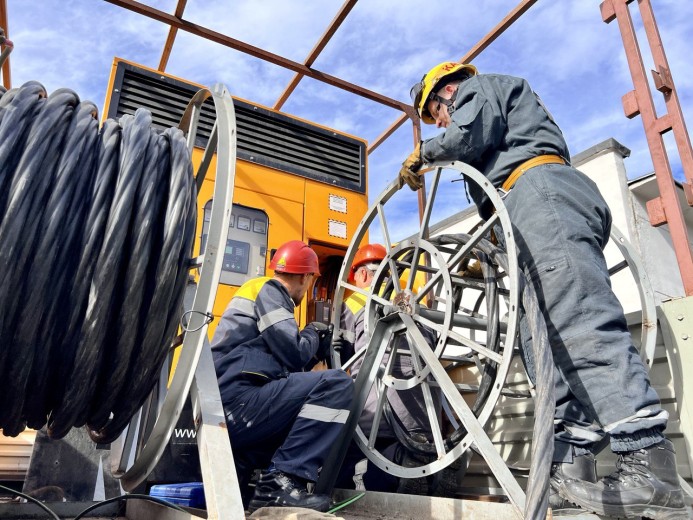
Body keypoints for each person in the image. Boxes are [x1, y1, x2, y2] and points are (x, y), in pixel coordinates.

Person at [399, 62, 687, 518]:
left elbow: (467, 134)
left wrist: (422, 154)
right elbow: (496, 194)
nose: (440, 123)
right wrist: (486, 252)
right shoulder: (504, 137)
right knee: (544, 348)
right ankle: (574, 472)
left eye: (437, 113)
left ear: (447, 91)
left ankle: (650, 468)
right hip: (525, 210)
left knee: (577, 323)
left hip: (541, 195)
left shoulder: (479, 89)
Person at [211, 240, 354, 513]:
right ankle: (281, 480)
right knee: (337, 384)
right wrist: (314, 332)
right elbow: (293, 353)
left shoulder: (258, 296)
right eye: (311, 280)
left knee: (304, 409)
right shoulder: (271, 290)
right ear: (305, 276)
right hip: (239, 404)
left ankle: (264, 486)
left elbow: (285, 367)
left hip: (230, 408)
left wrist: (314, 350)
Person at [334, 243, 441, 494]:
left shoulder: (355, 302)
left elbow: (342, 359)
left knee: (342, 457)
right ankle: (427, 460)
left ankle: (402, 459)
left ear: (361, 275)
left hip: (378, 416)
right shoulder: (416, 302)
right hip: (427, 416)